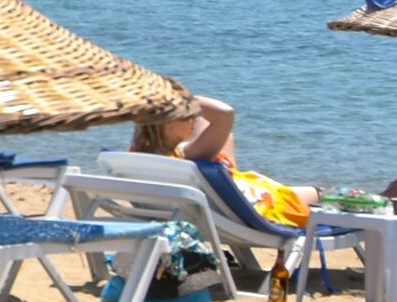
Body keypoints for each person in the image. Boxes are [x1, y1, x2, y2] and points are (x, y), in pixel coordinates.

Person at [133, 93, 315, 228]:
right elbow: (225, 113)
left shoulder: (137, 154)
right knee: (314, 194)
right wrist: (180, 97)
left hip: (208, 200)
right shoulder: (192, 160)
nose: (193, 120)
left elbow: (144, 123)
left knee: (225, 137)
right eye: (188, 116)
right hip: (252, 205)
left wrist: (157, 98)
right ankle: (322, 192)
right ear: (168, 123)